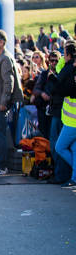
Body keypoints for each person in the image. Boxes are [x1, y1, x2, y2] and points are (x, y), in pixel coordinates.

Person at [0, 29, 23, 175]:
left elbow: (9, 82)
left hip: (0, 103)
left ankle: (2, 166)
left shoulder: (5, 59)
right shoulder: (0, 58)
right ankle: (0, 164)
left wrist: (4, 101)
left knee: (0, 135)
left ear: (2, 42)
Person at [55, 41, 76, 187]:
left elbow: (59, 71)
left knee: (59, 147)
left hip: (72, 122)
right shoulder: (70, 68)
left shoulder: (69, 71)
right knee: (74, 149)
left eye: (64, 53)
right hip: (70, 120)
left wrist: (68, 58)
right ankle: (74, 178)